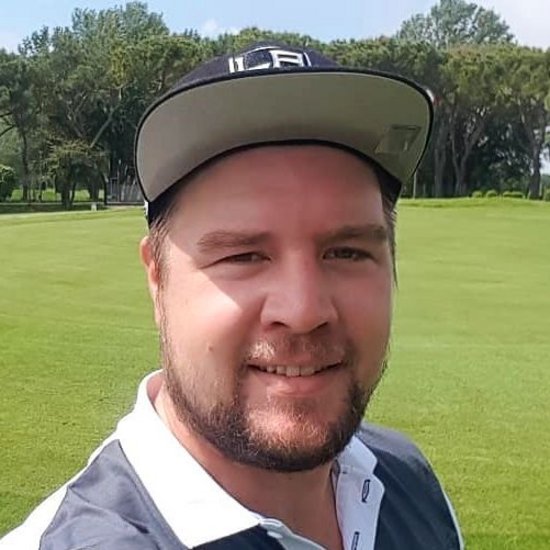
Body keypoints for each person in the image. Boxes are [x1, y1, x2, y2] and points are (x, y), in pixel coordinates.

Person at [0, 43, 463, 550]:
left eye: (347, 252)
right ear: (157, 278)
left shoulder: (410, 483)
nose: (303, 311)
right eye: (243, 256)